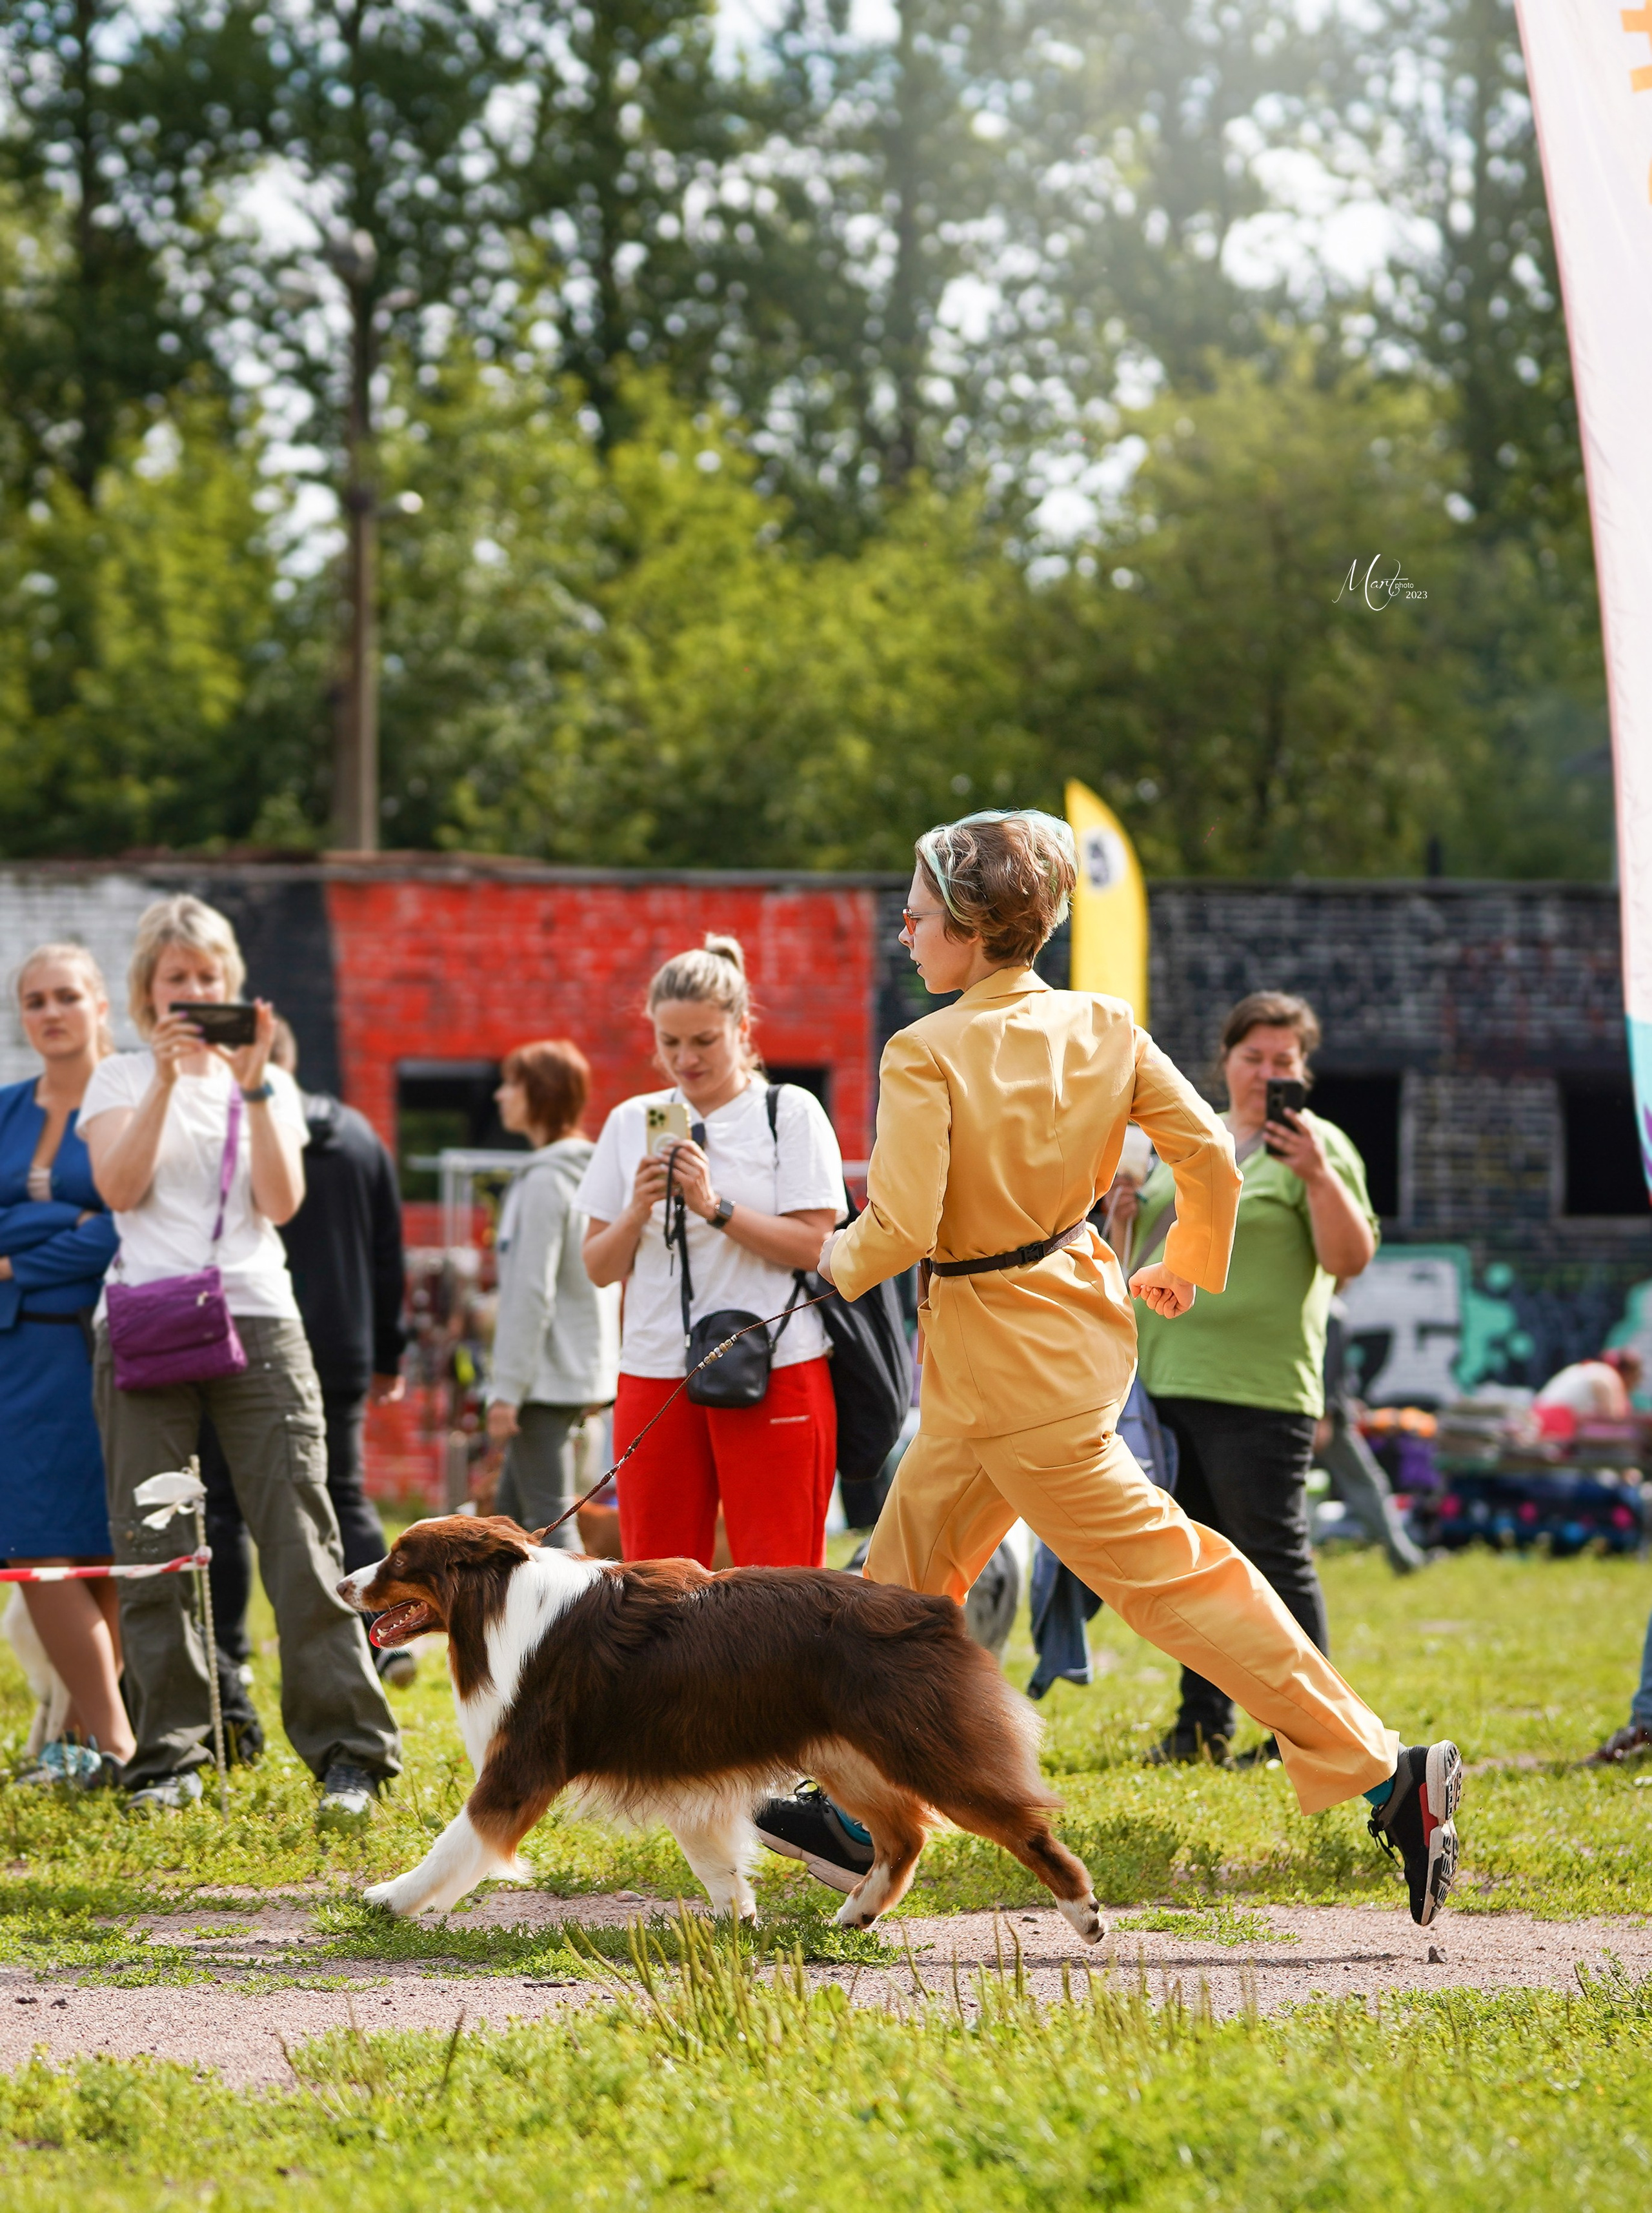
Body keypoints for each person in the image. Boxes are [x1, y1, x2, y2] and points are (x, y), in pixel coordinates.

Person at [757, 812, 1462, 1930]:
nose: (903, 929)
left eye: (919, 911)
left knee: (1175, 1582)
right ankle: (859, 1812)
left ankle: (1392, 1774)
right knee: (892, 1594)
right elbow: (1201, 1154)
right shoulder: (1104, 1023)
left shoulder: (923, 1050)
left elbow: (895, 1226)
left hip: (1007, 1368)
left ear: (976, 927)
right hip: (1054, 1335)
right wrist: (1186, 1263)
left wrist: (820, 1269)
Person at [80, 895, 399, 1822]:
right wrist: (166, 1084)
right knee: (154, 1544)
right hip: (144, 1322)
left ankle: (350, 1752)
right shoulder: (117, 1079)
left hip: (256, 1317)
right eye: (176, 979)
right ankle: (171, 1753)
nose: (193, 993)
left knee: (300, 1535)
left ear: (235, 989)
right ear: (148, 991)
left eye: (209, 978)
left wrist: (253, 1085)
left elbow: (283, 1200)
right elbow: (119, 1187)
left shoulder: (271, 1086)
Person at [1122, 991, 1382, 1766]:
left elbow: (1349, 1262)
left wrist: (1315, 1176)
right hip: (1167, 1380)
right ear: (1225, 1061)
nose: (1266, 1074)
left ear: (1302, 1072)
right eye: (1252, 1058)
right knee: (1196, 1565)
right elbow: (1145, 1253)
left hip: (1261, 1392)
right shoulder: (1191, 1139)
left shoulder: (1319, 1146)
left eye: (1283, 1061)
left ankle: (1310, 1732)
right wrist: (1124, 1211)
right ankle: (1201, 1724)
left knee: (1272, 1556)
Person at [579, 934, 843, 1568]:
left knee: (779, 1581)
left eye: (704, 1041)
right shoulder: (630, 1120)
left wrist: (713, 1206)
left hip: (774, 1361)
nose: (684, 1059)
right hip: (655, 1367)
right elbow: (597, 1266)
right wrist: (640, 1208)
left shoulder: (788, 1111)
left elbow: (816, 1246)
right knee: (652, 1580)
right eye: (669, 1043)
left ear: (742, 1027)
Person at [201, 1018, 414, 1727]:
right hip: (344, 1342)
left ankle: (226, 1659)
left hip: (251, 1337)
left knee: (226, 1504)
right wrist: (390, 1351)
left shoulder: (241, 1129)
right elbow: (390, 1255)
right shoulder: (358, 1135)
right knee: (344, 1494)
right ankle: (386, 1637)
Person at [0, 945, 133, 1785]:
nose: (51, 1012)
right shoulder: (6, 1108)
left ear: (100, 1005)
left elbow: (126, 1223)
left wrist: (15, 1252)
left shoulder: (128, 1099)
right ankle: (101, 1742)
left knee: (96, 1543)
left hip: (107, 1341)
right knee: (33, 1545)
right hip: (16, 1354)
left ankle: (104, 1742)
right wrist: (67, 1226)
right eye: (34, 1000)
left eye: (67, 996)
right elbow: (90, 1225)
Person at [485, 1038, 620, 1540]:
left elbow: (529, 1294)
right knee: (508, 1522)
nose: (500, 1096)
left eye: (511, 1084)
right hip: (576, 1373)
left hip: (542, 1381)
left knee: (549, 1523)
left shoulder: (543, 1181)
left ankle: (579, 1622)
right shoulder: (586, 1175)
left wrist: (506, 1392)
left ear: (537, 1093)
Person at [1535, 1347, 1641, 1422]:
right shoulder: (1608, 1376)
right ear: (1628, 1374)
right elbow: (1614, 1420)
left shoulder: (1592, 1369)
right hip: (1555, 1425)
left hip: (1538, 1419)